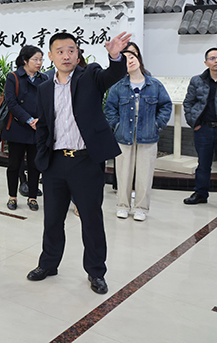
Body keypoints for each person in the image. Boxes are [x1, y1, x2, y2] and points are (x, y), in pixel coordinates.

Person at [26, 31, 130, 295]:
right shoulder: (44, 88)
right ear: (50, 56)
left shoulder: (90, 76)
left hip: (85, 162)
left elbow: (113, 74)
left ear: (78, 53)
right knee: (52, 220)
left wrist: (115, 56)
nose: (66, 55)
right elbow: (44, 125)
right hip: (55, 162)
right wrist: (42, 157)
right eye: (60, 51)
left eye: (71, 50)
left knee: (91, 220)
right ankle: (48, 264)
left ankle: (96, 272)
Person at [104, 45, 171, 221]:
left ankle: (141, 208)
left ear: (139, 58)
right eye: (125, 59)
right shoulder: (118, 87)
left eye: (132, 56)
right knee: (123, 173)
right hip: (123, 135)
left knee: (145, 174)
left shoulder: (154, 85)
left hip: (148, 136)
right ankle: (122, 206)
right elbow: (110, 109)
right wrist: (117, 125)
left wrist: (157, 125)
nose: (130, 61)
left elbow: (166, 106)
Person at [3, 45, 49, 212]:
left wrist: (40, 121)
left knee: (34, 165)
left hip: (37, 128)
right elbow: (11, 102)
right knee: (14, 165)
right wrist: (29, 120)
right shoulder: (13, 77)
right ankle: (12, 196)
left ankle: (32, 197)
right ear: (25, 60)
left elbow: (48, 102)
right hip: (18, 127)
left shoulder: (44, 78)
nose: (39, 63)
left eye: (41, 59)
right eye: (35, 59)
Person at [182, 47, 217, 205]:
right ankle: (201, 193)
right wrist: (193, 123)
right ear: (206, 62)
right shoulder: (197, 80)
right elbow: (188, 103)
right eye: (212, 58)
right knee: (203, 164)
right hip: (204, 129)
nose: (216, 61)